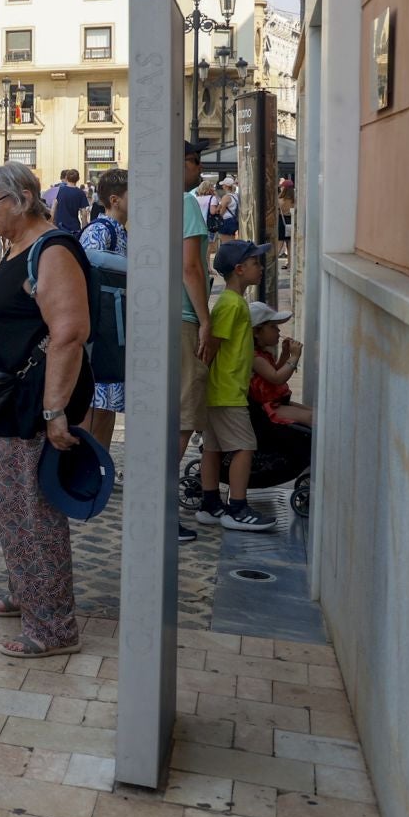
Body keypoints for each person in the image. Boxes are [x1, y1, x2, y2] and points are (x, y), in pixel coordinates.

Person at [0, 163, 96, 658]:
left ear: (20, 200)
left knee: (33, 518)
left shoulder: (53, 250)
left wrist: (55, 410)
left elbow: (68, 333)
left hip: (28, 407)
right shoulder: (15, 246)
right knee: (12, 512)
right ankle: (27, 595)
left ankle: (54, 627)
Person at [196, 240, 279, 532]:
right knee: (244, 446)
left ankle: (210, 503)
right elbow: (212, 346)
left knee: (213, 448)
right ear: (240, 270)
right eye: (256, 263)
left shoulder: (233, 303)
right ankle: (238, 507)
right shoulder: (231, 305)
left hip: (222, 390)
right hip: (227, 390)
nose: (260, 267)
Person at [177, 140, 214, 544]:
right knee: (184, 418)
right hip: (184, 318)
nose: (200, 169)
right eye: (194, 160)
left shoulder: (152, 201)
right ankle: (163, 508)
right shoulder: (186, 202)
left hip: (160, 317)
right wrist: (205, 320)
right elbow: (190, 267)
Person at [78, 168, 130, 450]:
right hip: (102, 330)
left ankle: (101, 462)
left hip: (114, 329)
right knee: (95, 404)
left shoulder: (121, 232)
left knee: (107, 403)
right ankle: (86, 461)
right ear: (115, 199)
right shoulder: (100, 230)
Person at [249, 301, 313, 427]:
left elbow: (273, 371)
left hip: (278, 401)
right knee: (312, 418)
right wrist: (294, 357)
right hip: (268, 407)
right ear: (256, 332)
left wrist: (285, 355)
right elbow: (277, 378)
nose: (278, 330)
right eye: (273, 326)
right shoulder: (254, 357)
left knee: (317, 413)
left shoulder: (262, 353)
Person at [51, 169, 89, 233]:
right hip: (74, 228)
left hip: (60, 228)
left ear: (66, 178)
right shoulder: (81, 193)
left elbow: (53, 208)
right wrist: (84, 230)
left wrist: (51, 224)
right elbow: (84, 213)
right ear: (78, 179)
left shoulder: (59, 191)